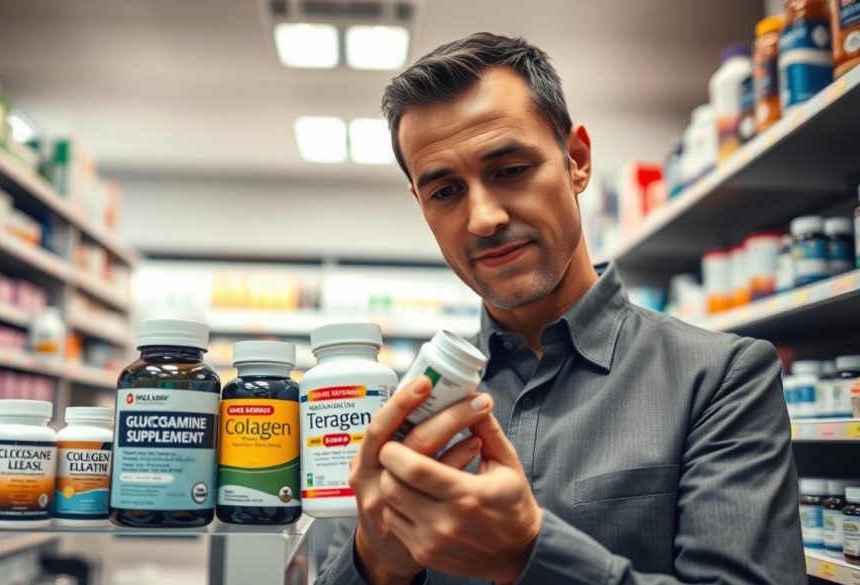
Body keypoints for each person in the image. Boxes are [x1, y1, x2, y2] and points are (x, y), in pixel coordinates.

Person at [315, 32, 805, 585]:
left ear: (576, 160)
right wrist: (377, 562)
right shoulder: (401, 412)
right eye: (446, 192)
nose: (483, 218)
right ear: (421, 205)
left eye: (509, 170)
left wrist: (529, 552)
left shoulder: (719, 380)